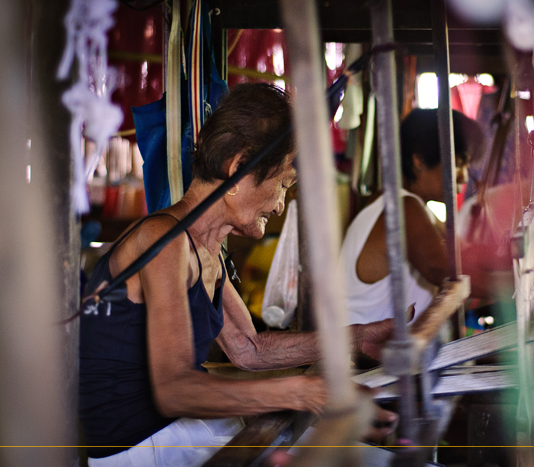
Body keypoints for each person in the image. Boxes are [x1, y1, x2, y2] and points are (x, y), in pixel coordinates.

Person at [79, 83, 393, 467]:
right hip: (139, 448)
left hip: (174, 431)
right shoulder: (164, 239)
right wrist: (305, 392)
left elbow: (249, 349)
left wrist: (358, 337)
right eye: (282, 185)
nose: (280, 205)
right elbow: (174, 390)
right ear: (240, 167)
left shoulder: (203, 244)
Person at [341, 108, 484, 326]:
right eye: (457, 164)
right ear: (419, 159)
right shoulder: (401, 205)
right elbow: (441, 269)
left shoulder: (417, 209)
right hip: (365, 355)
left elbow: (464, 252)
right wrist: (513, 285)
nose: (464, 176)